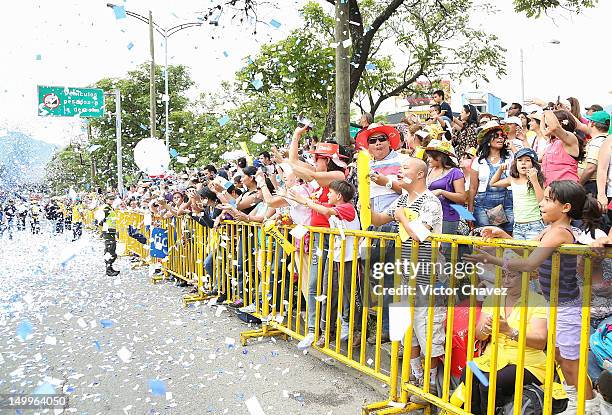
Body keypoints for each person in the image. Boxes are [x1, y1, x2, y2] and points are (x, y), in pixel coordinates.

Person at [465, 180, 602, 413]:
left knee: (571, 364)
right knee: (561, 358)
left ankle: (589, 407)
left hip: (567, 306)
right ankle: (574, 402)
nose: (541, 203)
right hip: (557, 304)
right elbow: (528, 249)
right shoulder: (550, 229)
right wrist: (504, 236)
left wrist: (494, 260)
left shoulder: (560, 231)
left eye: (548, 199)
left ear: (566, 207)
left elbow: (529, 263)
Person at [371, 157, 445, 401]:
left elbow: (420, 235)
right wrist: (364, 197)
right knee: (407, 331)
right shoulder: (402, 199)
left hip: (427, 278)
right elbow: (378, 219)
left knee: (429, 334)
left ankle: (430, 384)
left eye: (405, 168)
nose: (400, 172)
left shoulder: (431, 202)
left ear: (421, 174)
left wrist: (402, 217)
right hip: (403, 276)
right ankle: (414, 376)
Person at [454, 251, 548, 414]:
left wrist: (511, 331)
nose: (506, 281)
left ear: (526, 277)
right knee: (469, 371)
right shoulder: (493, 299)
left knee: (490, 382)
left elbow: (540, 342)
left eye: (511, 276)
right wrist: (485, 329)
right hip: (493, 359)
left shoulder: (538, 302)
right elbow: (479, 335)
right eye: (503, 275)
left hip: (526, 363)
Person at [291, 180, 361, 349]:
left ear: (339, 196)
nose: (327, 195)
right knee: (327, 292)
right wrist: (300, 200)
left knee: (350, 294)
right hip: (335, 255)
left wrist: (306, 201)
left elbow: (325, 210)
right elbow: (319, 206)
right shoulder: (335, 205)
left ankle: (354, 329)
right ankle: (326, 331)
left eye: (330, 193)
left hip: (350, 257)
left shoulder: (347, 207)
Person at [355, 123, 407, 344]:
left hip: (397, 224)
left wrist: (387, 183)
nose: (377, 144)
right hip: (372, 227)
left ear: (390, 141)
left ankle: (403, 336)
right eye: (373, 141)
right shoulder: (364, 163)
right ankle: (386, 329)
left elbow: (412, 190)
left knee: (401, 281)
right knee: (379, 280)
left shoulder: (403, 161)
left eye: (381, 139)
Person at [468, 121, 514, 233]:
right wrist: (470, 209)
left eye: (502, 136)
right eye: (496, 135)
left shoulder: (510, 158)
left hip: (507, 203)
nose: (500, 138)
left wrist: (512, 148)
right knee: (486, 238)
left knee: (508, 237)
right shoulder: (479, 161)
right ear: (488, 140)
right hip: (483, 205)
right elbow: (473, 187)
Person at [490, 147, 545, 240]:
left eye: (527, 160)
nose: (523, 163)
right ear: (515, 164)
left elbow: (542, 201)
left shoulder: (536, 180)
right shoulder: (512, 179)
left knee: (532, 253)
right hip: (517, 225)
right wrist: (500, 170)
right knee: (518, 253)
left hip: (534, 224)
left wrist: (534, 181)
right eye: (520, 160)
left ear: (533, 165)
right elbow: (493, 183)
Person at [425, 139, 466, 256]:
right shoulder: (428, 171)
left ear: (440, 157)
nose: (428, 159)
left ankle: (449, 273)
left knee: (445, 251)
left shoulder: (455, 172)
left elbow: (462, 197)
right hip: (429, 216)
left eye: (431, 157)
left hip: (448, 216)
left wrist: (441, 191)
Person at [541, 110, 581, 187]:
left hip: (566, 190)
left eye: (548, 123)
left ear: (560, 124)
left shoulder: (571, 138)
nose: (547, 126)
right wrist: (543, 116)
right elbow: (543, 130)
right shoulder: (552, 141)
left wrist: (546, 108)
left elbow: (554, 127)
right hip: (551, 189)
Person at [579, 111, 611, 195]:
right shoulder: (606, 140)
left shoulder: (597, 142)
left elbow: (591, 168)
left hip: (591, 185)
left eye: (588, 122)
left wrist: (579, 184)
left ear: (592, 123)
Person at [99, 194, 120, 276]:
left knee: (111, 249)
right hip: (108, 231)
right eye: (110, 199)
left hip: (111, 231)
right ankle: (108, 269)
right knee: (110, 250)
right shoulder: (106, 208)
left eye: (112, 199)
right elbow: (101, 220)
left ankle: (109, 267)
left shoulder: (110, 208)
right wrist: (103, 229)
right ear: (106, 199)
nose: (111, 200)